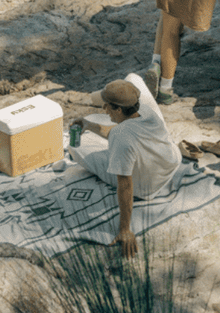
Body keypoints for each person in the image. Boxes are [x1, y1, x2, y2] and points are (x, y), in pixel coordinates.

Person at [69, 74, 182, 259]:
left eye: (108, 106)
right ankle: (94, 121)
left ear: (119, 110)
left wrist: (125, 229)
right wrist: (89, 125)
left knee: (75, 148)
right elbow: (116, 130)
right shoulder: (145, 110)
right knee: (133, 77)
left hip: (146, 187)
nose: (104, 110)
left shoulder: (121, 138)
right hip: (171, 161)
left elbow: (125, 185)